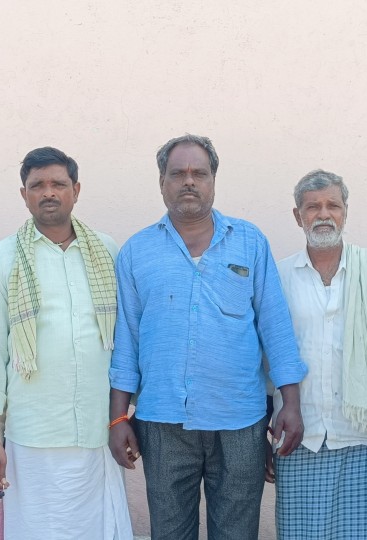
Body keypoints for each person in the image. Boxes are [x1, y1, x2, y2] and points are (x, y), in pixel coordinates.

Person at [108, 134, 308, 540]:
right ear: (161, 181)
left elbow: (275, 327)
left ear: (213, 180)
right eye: (177, 173)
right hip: (162, 420)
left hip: (240, 420)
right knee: (169, 532)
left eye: (199, 173)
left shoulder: (249, 242)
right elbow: (126, 340)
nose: (189, 181)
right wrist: (117, 417)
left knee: (236, 532)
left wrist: (290, 402)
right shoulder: (136, 251)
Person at [0, 147, 132, 539]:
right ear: (23, 195)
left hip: (96, 429)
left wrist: (122, 417)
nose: (48, 192)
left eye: (58, 184)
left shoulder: (107, 251)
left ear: (75, 190)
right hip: (33, 434)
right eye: (37, 185)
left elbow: (126, 341)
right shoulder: (1, 258)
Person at [269, 169, 367, 539]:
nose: (323, 214)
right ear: (297, 215)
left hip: (360, 436)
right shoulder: (278, 276)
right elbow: (266, 362)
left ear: (346, 212)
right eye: (312, 207)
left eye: (333, 205)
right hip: (298, 435)